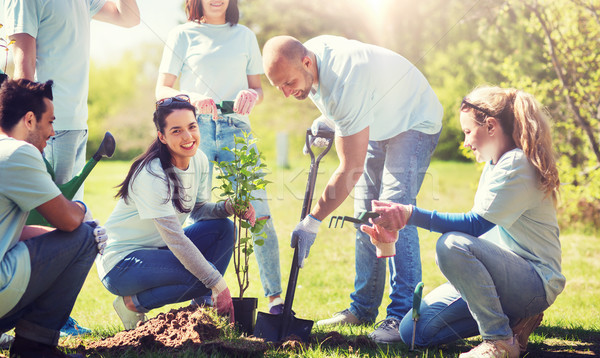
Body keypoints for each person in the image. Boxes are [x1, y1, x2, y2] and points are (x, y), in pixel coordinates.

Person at [360, 86, 565, 357]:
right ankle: (514, 322)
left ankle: (500, 340)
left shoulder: (518, 163)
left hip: (533, 282)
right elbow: (482, 232)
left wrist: (408, 215)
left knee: (452, 244)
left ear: (491, 126)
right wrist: (399, 225)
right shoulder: (494, 164)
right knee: (413, 331)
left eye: (468, 132)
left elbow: (474, 225)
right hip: (499, 277)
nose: (466, 142)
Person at [262, 35, 443, 340]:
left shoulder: (345, 80)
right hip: (378, 120)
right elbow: (339, 100)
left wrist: (313, 221)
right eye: (279, 86)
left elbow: (350, 170)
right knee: (364, 217)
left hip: (414, 119)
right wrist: (328, 119)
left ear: (306, 62)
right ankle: (362, 309)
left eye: (289, 83)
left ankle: (402, 318)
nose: (286, 92)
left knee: (393, 212)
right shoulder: (311, 56)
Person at [3, 0, 140, 336]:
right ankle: (32, 319)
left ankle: (39, 317)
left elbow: (130, 18)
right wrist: (26, 128)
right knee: (56, 218)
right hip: (48, 124)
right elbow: (24, 62)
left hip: (75, 122)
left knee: (69, 227)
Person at [155, 0, 285, 314]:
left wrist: (253, 94)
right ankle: (202, 297)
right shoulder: (182, 34)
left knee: (260, 211)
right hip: (195, 127)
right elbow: (162, 90)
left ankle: (276, 302)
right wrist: (191, 98)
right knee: (198, 211)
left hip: (237, 128)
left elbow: (259, 89)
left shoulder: (244, 35)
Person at [96, 95, 255, 330]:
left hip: (159, 250)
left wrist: (229, 207)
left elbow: (199, 211)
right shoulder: (152, 174)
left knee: (223, 228)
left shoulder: (198, 159)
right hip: (121, 263)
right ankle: (131, 303)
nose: (188, 137)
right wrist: (216, 282)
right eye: (177, 131)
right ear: (162, 136)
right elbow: (176, 239)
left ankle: (202, 305)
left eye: (192, 127)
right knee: (203, 274)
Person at [0, 78, 105, 358]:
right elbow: (70, 221)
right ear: (30, 120)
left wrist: (54, 243)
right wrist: (83, 209)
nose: (53, 132)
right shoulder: (18, 152)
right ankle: (35, 346)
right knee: (85, 236)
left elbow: (11, 234)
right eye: (50, 122)